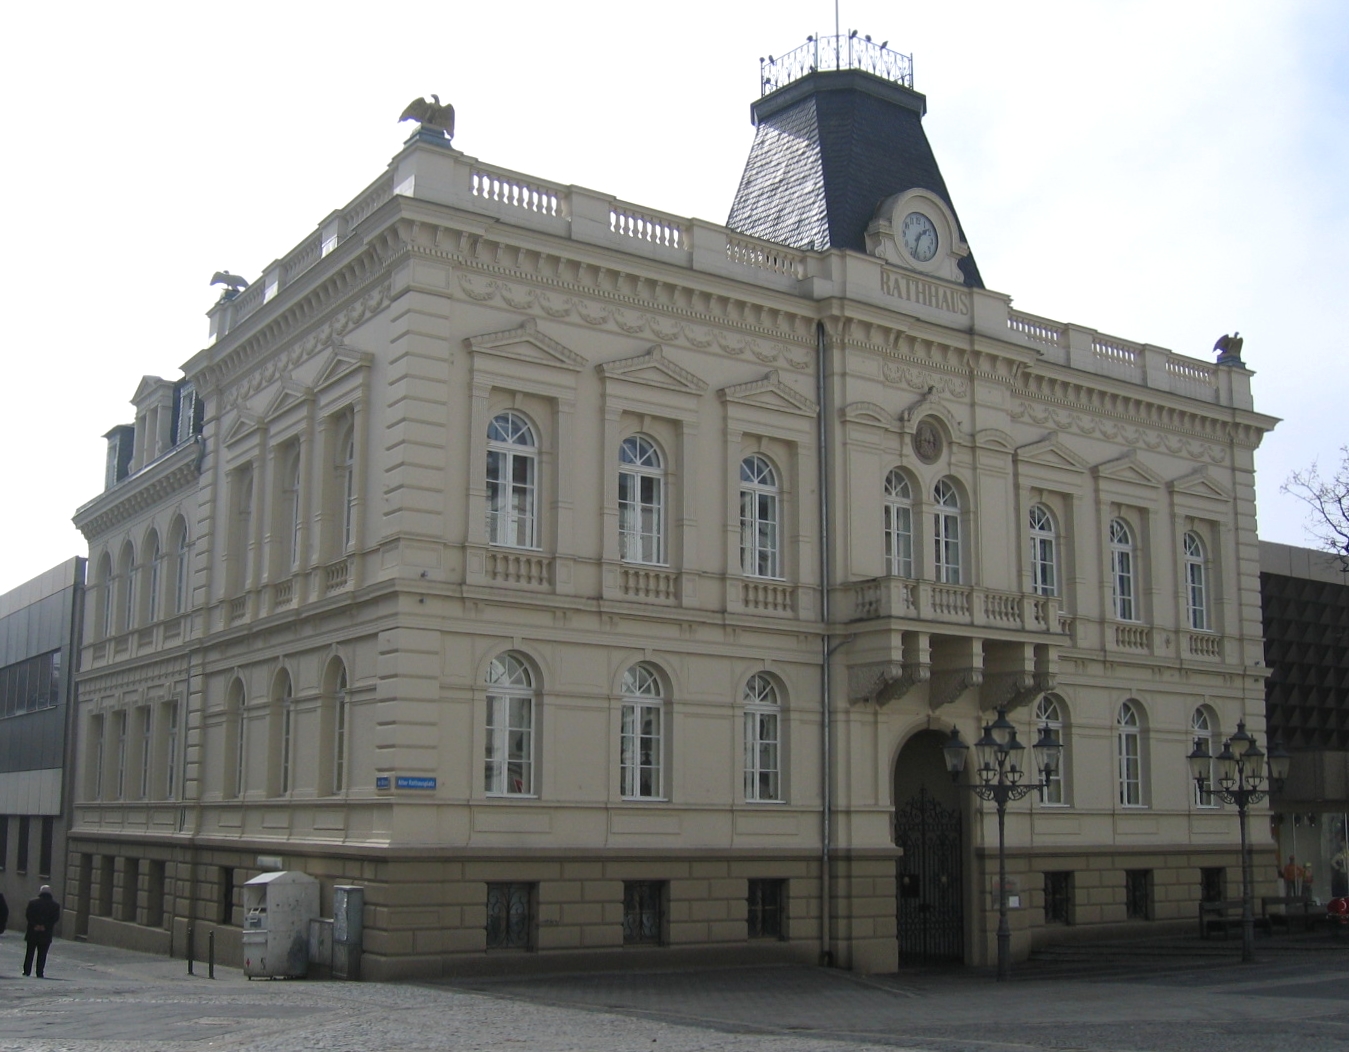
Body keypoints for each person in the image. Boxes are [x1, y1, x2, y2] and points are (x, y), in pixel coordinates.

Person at [23, 885, 60, 978]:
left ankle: (27, 971)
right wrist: (45, 926)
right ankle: (39, 972)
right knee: (42, 954)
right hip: (45, 933)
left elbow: (28, 915)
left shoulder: (32, 903)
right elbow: (55, 918)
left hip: (33, 931)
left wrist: (35, 925)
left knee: (30, 952)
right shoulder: (55, 905)